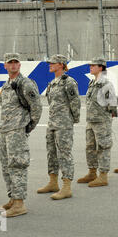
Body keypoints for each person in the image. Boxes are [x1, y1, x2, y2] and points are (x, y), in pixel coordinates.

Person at [0, 53, 42, 217]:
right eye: (10, 63)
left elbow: (36, 107)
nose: (13, 65)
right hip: (5, 130)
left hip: (17, 131)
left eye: (16, 62)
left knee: (17, 165)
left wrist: (28, 127)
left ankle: (20, 204)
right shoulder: (7, 84)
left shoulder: (25, 83)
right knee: (6, 166)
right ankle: (13, 198)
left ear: (19, 65)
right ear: (5, 66)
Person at [37, 54, 81, 200]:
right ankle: (53, 182)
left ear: (61, 64)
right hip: (52, 123)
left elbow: (75, 102)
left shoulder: (68, 82)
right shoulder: (52, 83)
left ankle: (67, 186)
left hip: (63, 124)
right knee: (51, 153)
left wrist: (72, 120)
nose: (50, 65)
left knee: (64, 154)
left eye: (53, 63)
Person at [77, 57, 118, 187]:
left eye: (93, 65)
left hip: (101, 121)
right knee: (90, 147)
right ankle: (92, 172)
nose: (91, 67)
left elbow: (112, 102)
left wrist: (109, 116)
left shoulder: (106, 83)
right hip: (91, 120)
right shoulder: (92, 83)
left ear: (101, 67)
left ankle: (103, 175)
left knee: (103, 147)